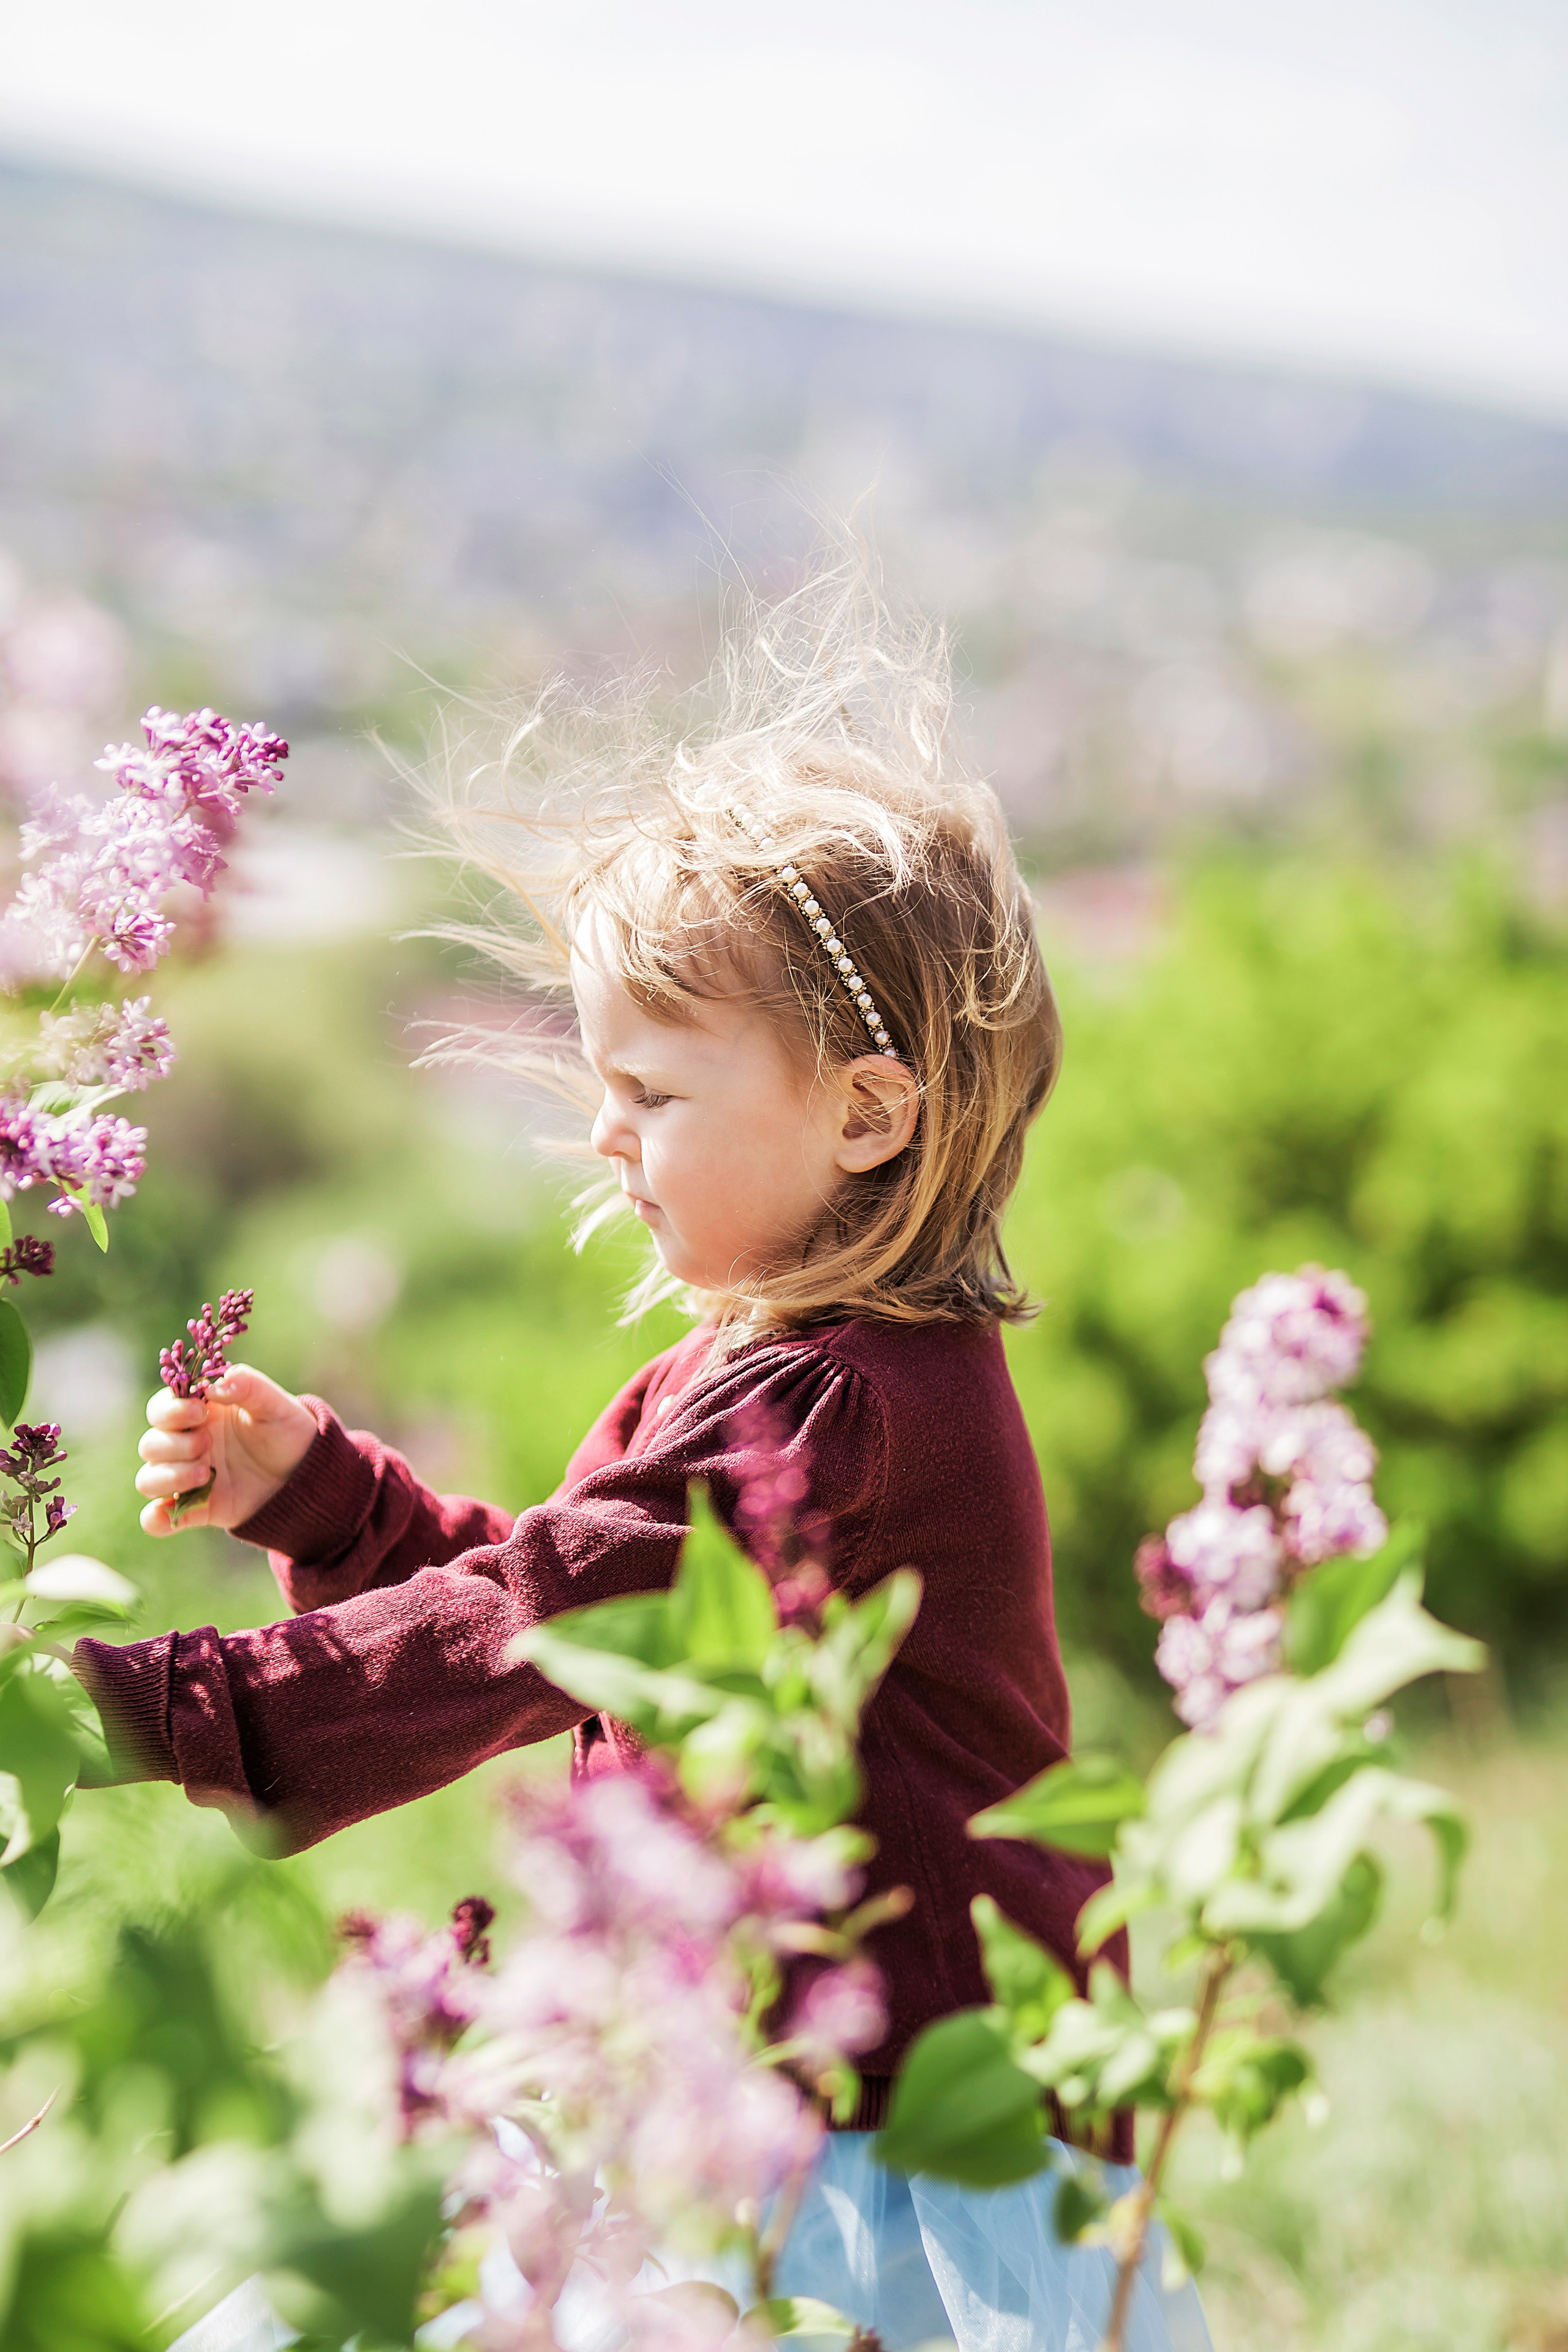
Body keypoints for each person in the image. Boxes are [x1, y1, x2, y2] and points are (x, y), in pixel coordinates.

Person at [82, 561, 1210, 2352]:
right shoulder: (810, 1369)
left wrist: (136, 1711)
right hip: (744, 2070)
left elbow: (536, 1623)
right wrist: (333, 1504)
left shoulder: (823, 1408)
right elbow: (585, 1625)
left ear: (865, 1110)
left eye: (659, 1094)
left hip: (872, 2147)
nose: (603, 1136)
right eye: (604, 1085)